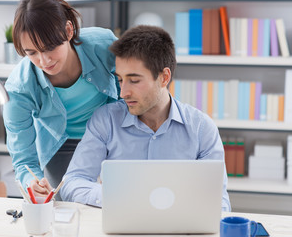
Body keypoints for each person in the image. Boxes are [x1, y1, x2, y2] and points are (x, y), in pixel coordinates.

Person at [60, 25, 231, 212]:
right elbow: (72, 183)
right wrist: (119, 196)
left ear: (164, 77)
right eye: (120, 80)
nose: (123, 92)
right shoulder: (105, 121)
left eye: (134, 80)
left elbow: (219, 202)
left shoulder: (201, 128)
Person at [3, 0, 119, 200]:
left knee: (123, 197)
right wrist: (32, 182)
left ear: (68, 31)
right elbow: (23, 160)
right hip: (62, 146)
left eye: (50, 48)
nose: (44, 61)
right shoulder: (19, 88)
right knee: (70, 204)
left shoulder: (104, 45)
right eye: (32, 53)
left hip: (112, 133)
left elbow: (130, 91)